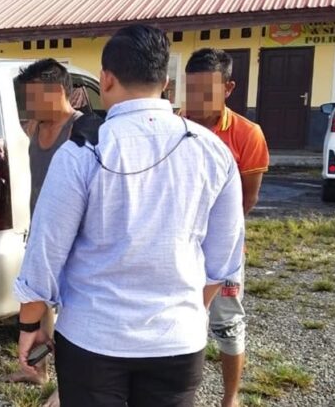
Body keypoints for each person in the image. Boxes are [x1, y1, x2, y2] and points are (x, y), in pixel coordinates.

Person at [13, 24, 245, 406]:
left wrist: (29, 324)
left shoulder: (83, 151)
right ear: (166, 81)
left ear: (106, 79)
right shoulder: (212, 151)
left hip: (93, 340)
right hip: (178, 342)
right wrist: (182, 311)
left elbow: (45, 251)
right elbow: (222, 262)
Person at [9, 59, 102, 407]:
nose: (27, 106)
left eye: (33, 98)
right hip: (41, 229)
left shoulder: (82, 131)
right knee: (40, 302)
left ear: (58, 92)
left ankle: (69, 390)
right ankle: (38, 370)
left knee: (72, 317)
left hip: (75, 237)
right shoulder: (35, 125)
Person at [185, 48, 270, 407]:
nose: (197, 100)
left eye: (208, 90)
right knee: (180, 322)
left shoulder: (248, 135)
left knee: (228, 326)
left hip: (224, 251)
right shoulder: (176, 124)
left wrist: (217, 237)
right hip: (179, 247)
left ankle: (230, 397)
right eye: (191, 90)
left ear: (229, 88)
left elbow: (246, 202)